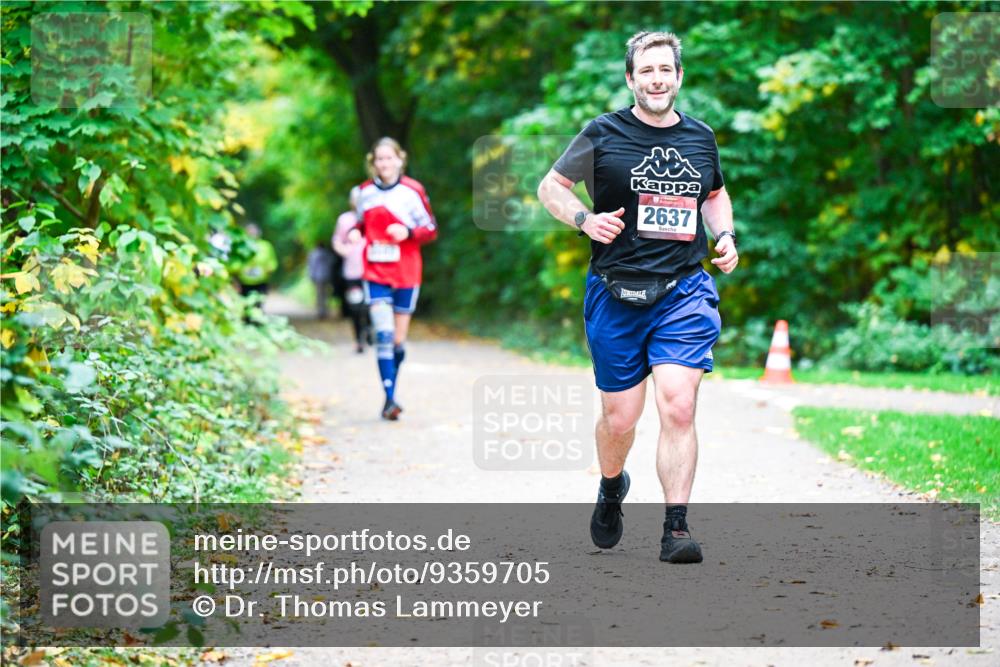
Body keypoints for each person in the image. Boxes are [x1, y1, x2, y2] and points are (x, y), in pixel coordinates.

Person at [537, 31, 738, 563]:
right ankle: (610, 487)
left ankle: (676, 528)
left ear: (678, 77)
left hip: (683, 290)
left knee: (678, 403)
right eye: (646, 71)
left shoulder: (700, 138)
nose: (656, 79)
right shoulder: (603, 133)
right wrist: (584, 218)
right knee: (620, 419)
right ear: (631, 79)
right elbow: (550, 188)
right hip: (615, 291)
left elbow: (715, 195)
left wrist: (725, 237)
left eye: (665, 70)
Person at [349, 138, 437, 420]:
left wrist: (409, 232)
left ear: (400, 159)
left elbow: (431, 229)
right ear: (372, 163)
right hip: (374, 271)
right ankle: (389, 399)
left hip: (406, 271)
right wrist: (355, 231)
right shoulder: (364, 193)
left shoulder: (413, 191)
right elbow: (362, 224)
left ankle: (392, 390)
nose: (384, 164)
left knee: (397, 341)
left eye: (389, 158)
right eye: (379, 160)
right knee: (383, 333)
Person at [333, 186, 370, 353]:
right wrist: (344, 251)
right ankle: (358, 339)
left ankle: (369, 331)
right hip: (352, 271)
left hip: (373, 272)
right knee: (355, 306)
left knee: (371, 305)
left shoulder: (372, 217)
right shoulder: (344, 219)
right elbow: (337, 241)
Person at [234, 222, 278, 306]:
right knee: (245, 305)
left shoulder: (266, 245)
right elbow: (234, 262)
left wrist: (269, 269)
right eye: (249, 231)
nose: (252, 233)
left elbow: (272, 261)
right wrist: (240, 270)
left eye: (254, 231)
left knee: (258, 304)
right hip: (244, 282)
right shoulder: (240, 245)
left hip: (261, 281)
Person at [307, 242, 336, 320]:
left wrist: (311, 276)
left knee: (319, 295)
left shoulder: (313, 254)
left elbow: (311, 266)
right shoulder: (327, 254)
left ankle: (321, 311)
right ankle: (325, 311)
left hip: (317, 277)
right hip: (327, 276)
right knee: (326, 295)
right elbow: (332, 263)